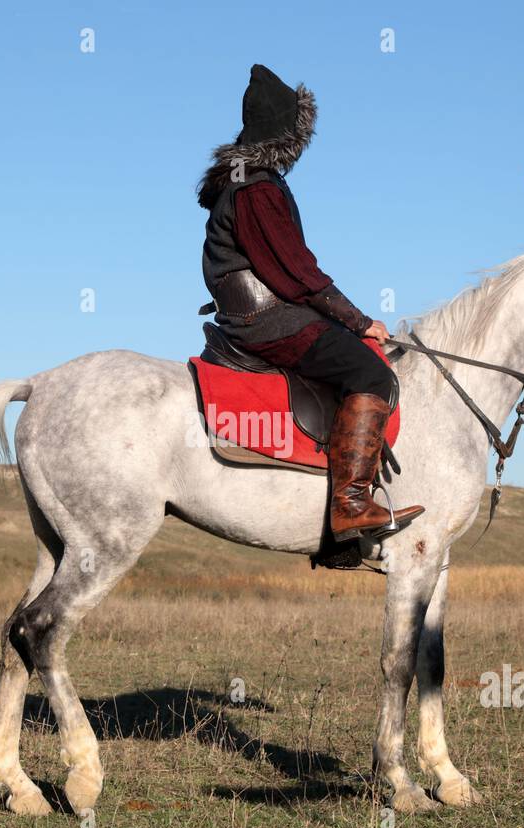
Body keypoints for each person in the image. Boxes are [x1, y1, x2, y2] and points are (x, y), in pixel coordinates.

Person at [197, 64, 423, 541]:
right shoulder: (256, 189)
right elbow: (296, 272)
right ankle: (350, 504)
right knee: (371, 373)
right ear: (284, 134)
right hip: (269, 321)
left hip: (267, 316)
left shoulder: (246, 181)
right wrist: (357, 320)